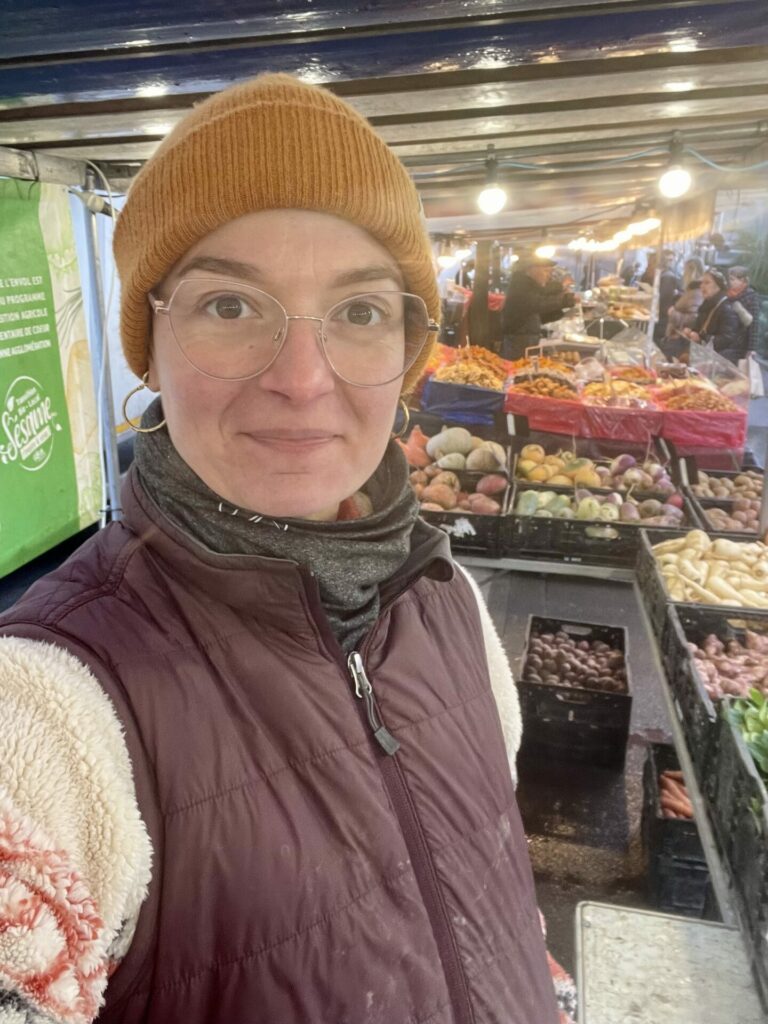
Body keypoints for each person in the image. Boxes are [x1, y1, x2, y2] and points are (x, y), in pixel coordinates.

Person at [0, 74, 560, 1024]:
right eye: (230, 306)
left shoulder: (449, 603)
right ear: (148, 345)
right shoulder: (54, 711)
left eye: (360, 312)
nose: (302, 380)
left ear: (407, 350)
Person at [500, 255, 577, 361]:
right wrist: (563, 300)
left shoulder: (529, 286)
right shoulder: (520, 285)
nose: (549, 276)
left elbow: (538, 315)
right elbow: (537, 304)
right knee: (516, 368)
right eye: (546, 271)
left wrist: (562, 312)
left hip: (527, 340)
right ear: (532, 269)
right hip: (518, 343)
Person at [682, 268, 742, 364]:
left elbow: (727, 339)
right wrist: (691, 331)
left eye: (707, 283)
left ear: (719, 286)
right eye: (702, 282)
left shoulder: (727, 308)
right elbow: (700, 328)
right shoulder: (707, 305)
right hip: (704, 357)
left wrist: (701, 338)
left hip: (717, 362)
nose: (701, 286)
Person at [662, 278, 703, 361]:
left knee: (670, 362)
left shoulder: (696, 295)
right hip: (676, 336)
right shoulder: (693, 293)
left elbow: (694, 317)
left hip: (679, 339)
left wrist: (674, 314)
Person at [728, 265, 761, 355]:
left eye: (732, 279)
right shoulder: (728, 295)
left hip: (740, 344)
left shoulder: (751, 297)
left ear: (742, 280)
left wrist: (752, 349)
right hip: (727, 340)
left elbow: (754, 324)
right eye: (729, 279)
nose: (730, 282)